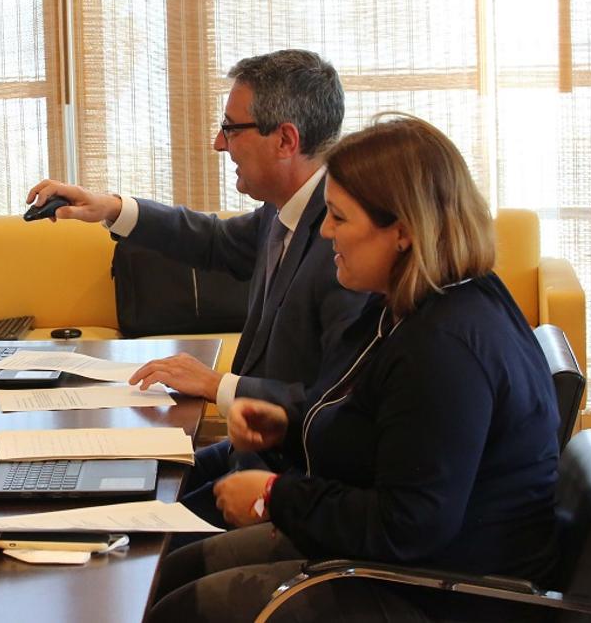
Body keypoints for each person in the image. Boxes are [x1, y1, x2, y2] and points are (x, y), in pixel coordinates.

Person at [144, 116, 560, 623]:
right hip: (412, 564)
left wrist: (277, 494)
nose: (324, 232)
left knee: (180, 611)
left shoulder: (445, 348)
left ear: (403, 231)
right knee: (170, 571)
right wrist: (288, 428)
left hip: (445, 593)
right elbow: (380, 432)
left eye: (339, 218)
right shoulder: (419, 302)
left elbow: (407, 525)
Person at [27, 49, 367, 525]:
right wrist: (109, 208)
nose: (218, 143)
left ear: (286, 139)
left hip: (285, 483)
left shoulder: (348, 248)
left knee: (132, 541)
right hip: (251, 458)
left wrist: (215, 384)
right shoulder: (287, 208)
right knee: (107, 499)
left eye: (231, 128)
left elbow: (335, 404)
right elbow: (216, 242)